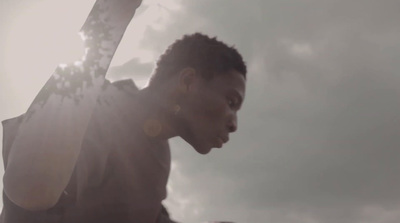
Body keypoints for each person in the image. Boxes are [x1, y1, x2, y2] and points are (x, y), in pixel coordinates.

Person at [1, 0, 247, 222]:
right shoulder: (99, 109)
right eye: (231, 102)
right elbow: (30, 187)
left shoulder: (160, 154)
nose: (234, 124)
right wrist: (114, 11)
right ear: (187, 81)